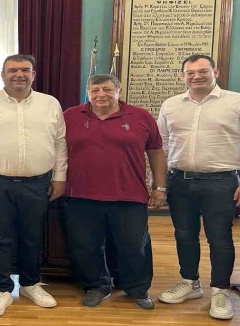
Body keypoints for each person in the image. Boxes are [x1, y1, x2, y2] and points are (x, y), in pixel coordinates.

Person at [157, 54, 240, 320]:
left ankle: (220, 290)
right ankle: (190, 282)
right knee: (184, 234)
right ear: (183, 76)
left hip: (221, 182)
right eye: (190, 72)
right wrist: (159, 184)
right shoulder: (171, 105)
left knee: (219, 238)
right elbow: (161, 145)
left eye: (203, 71)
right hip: (179, 180)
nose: (196, 76)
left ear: (215, 72)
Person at [0, 54, 67, 318]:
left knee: (32, 236)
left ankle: (30, 284)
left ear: (33, 74)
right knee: (0, 238)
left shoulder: (50, 103)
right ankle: (1, 289)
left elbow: (60, 142)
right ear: (3, 74)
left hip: (37, 182)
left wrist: (60, 177)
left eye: (25, 70)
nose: (19, 74)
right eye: (12, 70)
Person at [62, 74, 166, 310]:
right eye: (95, 90)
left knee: (134, 245)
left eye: (108, 89)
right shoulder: (70, 116)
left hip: (129, 194)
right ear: (88, 93)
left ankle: (137, 289)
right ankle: (96, 286)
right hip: (80, 195)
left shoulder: (141, 117)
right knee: (86, 246)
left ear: (119, 91)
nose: (101, 94)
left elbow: (156, 151)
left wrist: (159, 187)